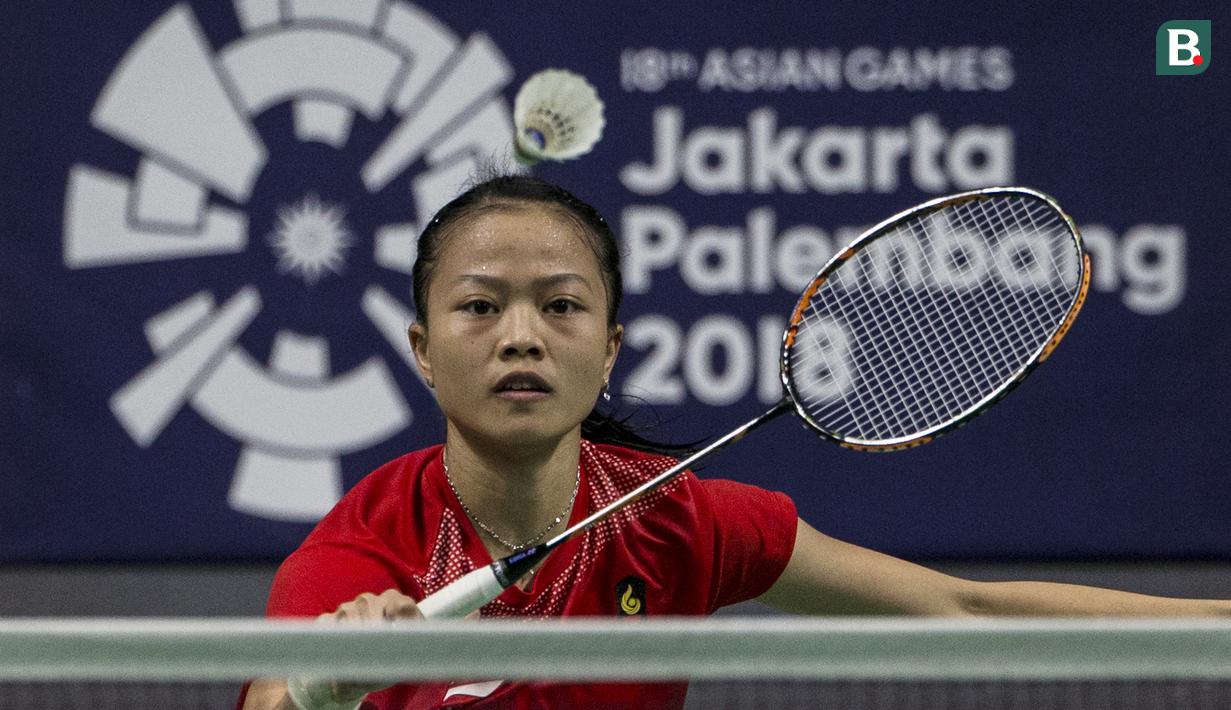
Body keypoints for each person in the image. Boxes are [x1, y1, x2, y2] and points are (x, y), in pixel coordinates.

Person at [240, 174, 1230, 710]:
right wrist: (320, 693)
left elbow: (957, 605)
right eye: (480, 306)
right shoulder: (362, 548)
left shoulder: (677, 519)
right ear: (422, 350)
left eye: (560, 305)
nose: (521, 334)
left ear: (610, 345)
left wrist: (1212, 622)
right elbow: (274, 696)